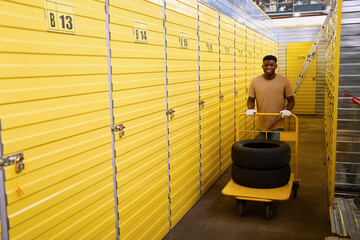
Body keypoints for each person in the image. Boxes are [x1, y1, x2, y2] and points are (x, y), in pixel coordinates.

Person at [246, 55, 295, 141]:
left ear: (276, 66)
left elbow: (291, 100)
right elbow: (250, 99)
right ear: (262, 66)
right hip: (262, 122)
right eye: (266, 65)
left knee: (275, 147)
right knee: (266, 148)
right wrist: (250, 108)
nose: (269, 67)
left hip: (278, 121)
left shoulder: (284, 81)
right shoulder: (255, 81)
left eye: (271, 65)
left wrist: (288, 110)